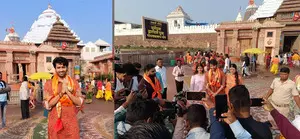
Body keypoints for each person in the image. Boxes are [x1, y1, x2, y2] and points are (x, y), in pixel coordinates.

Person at [44, 57, 84, 139]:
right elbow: (48, 105)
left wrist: (68, 92)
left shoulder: (74, 83)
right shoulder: (49, 84)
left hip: (71, 121)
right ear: (55, 68)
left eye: (63, 67)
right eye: (58, 67)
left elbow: (79, 102)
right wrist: (61, 93)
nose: (61, 70)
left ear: (66, 68)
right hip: (55, 120)